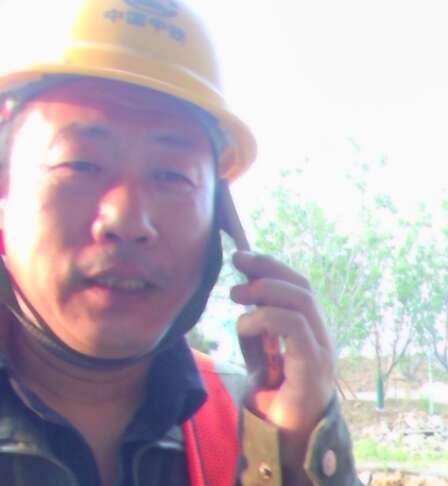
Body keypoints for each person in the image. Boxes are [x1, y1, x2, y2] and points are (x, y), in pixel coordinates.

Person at [0, 1, 361, 484]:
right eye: (81, 164)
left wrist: (297, 458)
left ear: (219, 218)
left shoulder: (254, 427)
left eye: (172, 176)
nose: (129, 220)